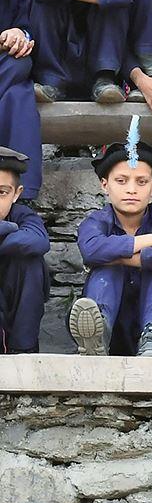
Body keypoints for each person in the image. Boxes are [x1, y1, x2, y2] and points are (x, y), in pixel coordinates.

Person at [71, 125, 152, 358]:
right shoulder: (96, 221)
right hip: (115, 331)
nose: (131, 190)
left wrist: (123, 256)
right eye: (122, 180)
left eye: (141, 182)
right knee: (107, 270)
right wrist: (143, 242)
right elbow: (91, 250)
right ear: (105, 185)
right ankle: (97, 335)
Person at [0, 0, 42, 205]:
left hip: (5, 67)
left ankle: (20, 193)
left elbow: (31, 27)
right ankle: (19, 193)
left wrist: (20, 32)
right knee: (17, 93)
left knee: (20, 67)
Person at [0, 148, 47, 355]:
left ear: (16, 194)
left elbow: (37, 241)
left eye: (1, 192)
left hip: (14, 311)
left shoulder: (22, 215)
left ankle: (23, 352)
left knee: (30, 261)